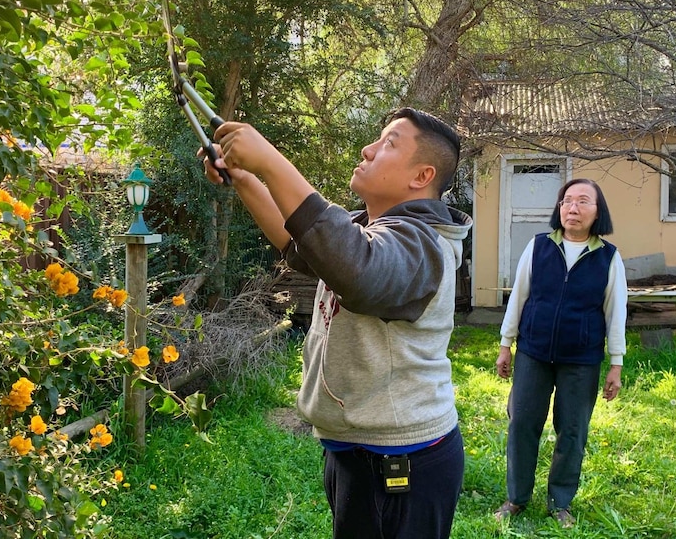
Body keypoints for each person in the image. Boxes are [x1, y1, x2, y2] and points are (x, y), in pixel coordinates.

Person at [200, 107, 472, 539]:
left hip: (402, 461)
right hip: (357, 451)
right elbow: (301, 242)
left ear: (421, 176)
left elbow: (356, 266)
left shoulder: (425, 243)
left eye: (388, 143)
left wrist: (270, 160)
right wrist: (247, 179)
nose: (368, 149)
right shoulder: (375, 229)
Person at [493, 178, 627, 529]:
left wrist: (616, 363)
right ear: (559, 208)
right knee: (522, 424)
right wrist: (506, 344)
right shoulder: (538, 247)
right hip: (533, 353)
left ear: (598, 212)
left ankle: (560, 502)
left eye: (583, 201)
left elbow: (616, 313)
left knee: (572, 431)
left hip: (581, 359)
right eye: (567, 200)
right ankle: (516, 498)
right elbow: (518, 297)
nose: (573, 208)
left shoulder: (608, 258)